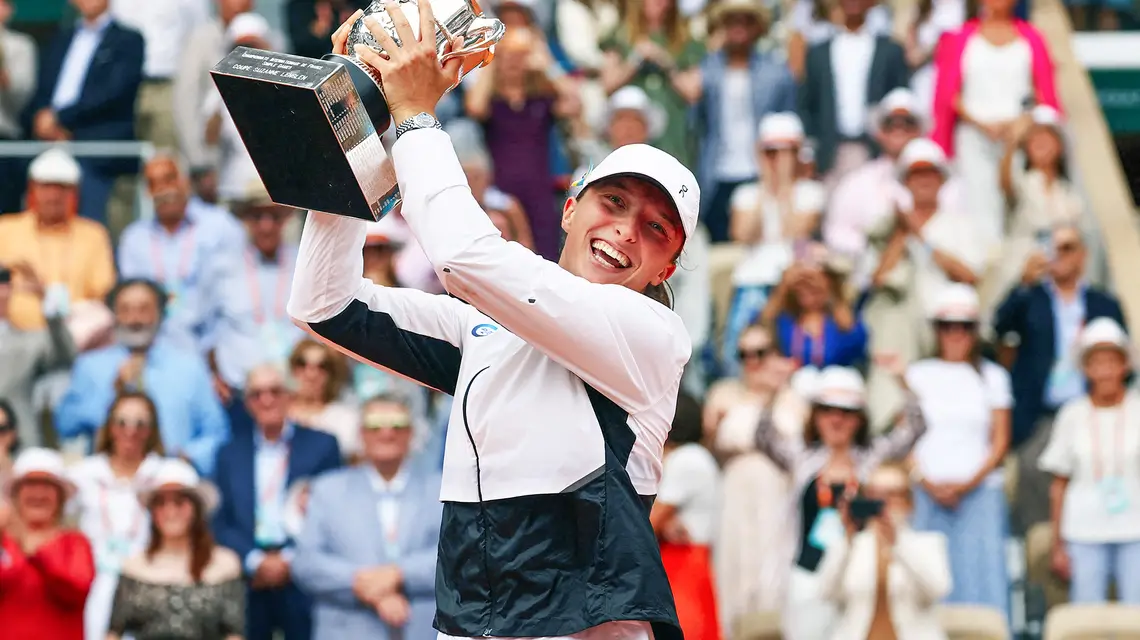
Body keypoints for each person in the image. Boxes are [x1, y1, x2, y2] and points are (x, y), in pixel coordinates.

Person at [287, 6, 700, 638]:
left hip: (586, 626)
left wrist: (416, 115)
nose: (625, 229)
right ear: (568, 209)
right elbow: (325, 305)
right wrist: (359, 120)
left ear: (663, 269)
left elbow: (461, 256)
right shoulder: (486, 329)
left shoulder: (649, 333)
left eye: (654, 229)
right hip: (474, 616)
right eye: (613, 202)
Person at [753, 363, 926, 640]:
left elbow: (917, 427)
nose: (836, 420)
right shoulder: (802, 457)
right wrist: (775, 391)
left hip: (857, 578)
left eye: (846, 412)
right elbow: (763, 437)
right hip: (807, 575)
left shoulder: (872, 457)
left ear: (859, 419)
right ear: (815, 416)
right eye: (827, 410)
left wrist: (902, 381)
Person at [293, 393, 444, 640]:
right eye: (375, 425)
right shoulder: (327, 489)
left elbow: (456, 558)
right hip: (346, 630)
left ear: (411, 433)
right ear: (361, 434)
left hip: (422, 630)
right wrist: (363, 584)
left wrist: (398, 574)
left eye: (397, 424)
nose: (386, 433)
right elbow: (306, 562)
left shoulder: (440, 490)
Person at [906, 284, 1012, 614]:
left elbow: (1000, 442)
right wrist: (927, 482)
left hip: (979, 494)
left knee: (983, 582)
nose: (955, 334)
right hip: (926, 493)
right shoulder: (917, 374)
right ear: (936, 330)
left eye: (963, 326)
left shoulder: (993, 377)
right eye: (946, 326)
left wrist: (966, 484)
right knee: (929, 583)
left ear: (974, 331)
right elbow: (904, 438)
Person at [1039, 318, 1140, 604]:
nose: (1105, 371)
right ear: (1086, 369)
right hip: (1084, 531)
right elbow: (1059, 484)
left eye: (1112, 362)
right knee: (1087, 619)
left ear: (1125, 365)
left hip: (1135, 530)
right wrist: (1057, 544)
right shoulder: (1072, 414)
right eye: (1097, 363)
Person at [106, 458, 245, 640]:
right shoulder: (134, 565)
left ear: (197, 508)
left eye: (180, 502)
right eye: (161, 503)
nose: (170, 512)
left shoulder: (225, 564)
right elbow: (114, 631)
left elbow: (234, 633)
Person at [68, 392, 165, 640]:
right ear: (110, 427)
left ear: (151, 430)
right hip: (95, 584)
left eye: (140, 424)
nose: (130, 431)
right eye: (122, 422)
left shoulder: (165, 475)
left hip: (150, 584)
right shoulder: (84, 474)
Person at [818, 462, 952, 640]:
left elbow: (939, 588)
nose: (884, 503)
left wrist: (897, 543)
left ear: (909, 502)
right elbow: (826, 592)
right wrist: (847, 538)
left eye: (893, 494)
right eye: (875, 494)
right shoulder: (850, 545)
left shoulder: (927, 543)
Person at [0, 448, 96, 640]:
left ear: (60, 497)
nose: (38, 493)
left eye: (47, 486)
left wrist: (34, 549)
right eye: (30, 484)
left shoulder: (75, 543)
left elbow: (76, 588)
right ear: (16, 494)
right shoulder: (4, 541)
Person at [651, 393, 721, 640]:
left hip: (684, 564)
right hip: (687, 562)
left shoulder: (686, 459)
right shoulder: (695, 456)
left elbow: (649, 522)